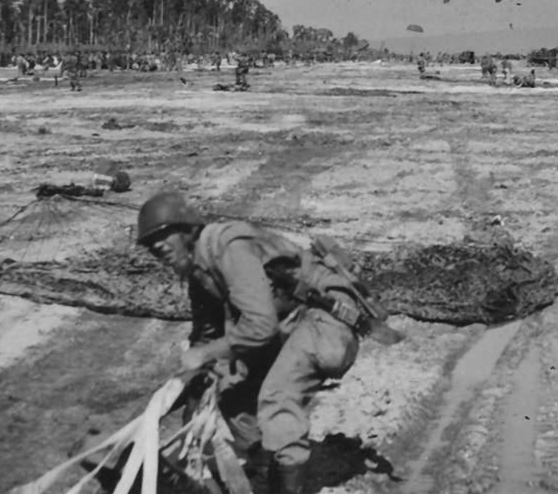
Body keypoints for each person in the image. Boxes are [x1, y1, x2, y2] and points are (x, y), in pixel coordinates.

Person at [135, 191, 383, 494]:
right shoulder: (198, 269)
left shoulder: (226, 247)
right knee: (230, 387)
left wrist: (206, 354)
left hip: (326, 318)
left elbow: (260, 327)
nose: (157, 247)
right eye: (149, 244)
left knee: (277, 395)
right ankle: (267, 466)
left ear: (187, 229)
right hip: (290, 322)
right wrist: (191, 384)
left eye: (164, 235)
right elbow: (207, 333)